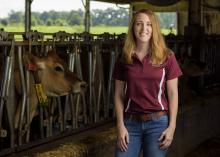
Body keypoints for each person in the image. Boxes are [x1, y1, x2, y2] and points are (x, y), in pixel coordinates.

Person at [113, 9, 182, 157]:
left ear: (154, 28)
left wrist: (172, 127)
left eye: (149, 24)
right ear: (133, 27)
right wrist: (120, 126)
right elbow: (118, 94)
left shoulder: (167, 56)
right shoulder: (124, 57)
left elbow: (173, 93)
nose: (144, 29)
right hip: (130, 123)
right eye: (139, 24)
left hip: (158, 123)